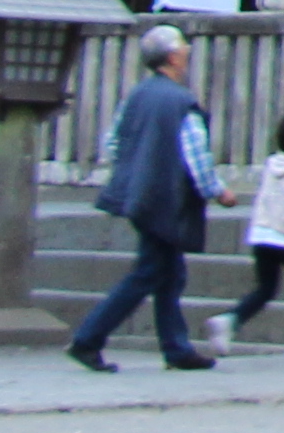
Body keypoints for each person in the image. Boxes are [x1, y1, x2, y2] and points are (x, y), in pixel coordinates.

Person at [68, 24, 217, 372]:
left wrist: (132, 174)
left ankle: (176, 347)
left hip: (140, 193)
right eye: (182, 47)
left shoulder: (137, 95)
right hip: (165, 197)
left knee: (168, 272)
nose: (186, 52)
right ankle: (88, 339)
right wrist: (215, 189)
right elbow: (196, 154)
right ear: (173, 56)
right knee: (149, 272)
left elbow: (115, 143)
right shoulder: (181, 101)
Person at [214, 108, 284, 357]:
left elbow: (264, 199)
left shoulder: (271, 163)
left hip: (262, 232)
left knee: (266, 288)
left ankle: (232, 319)